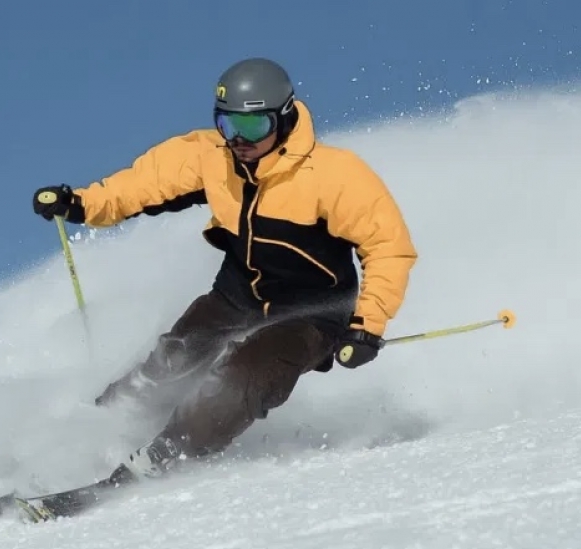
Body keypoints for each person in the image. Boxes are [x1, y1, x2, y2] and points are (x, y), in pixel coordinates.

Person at [32, 57, 417, 484]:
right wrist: (82, 203)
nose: (238, 139)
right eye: (227, 124)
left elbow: (389, 247)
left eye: (252, 127)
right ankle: (87, 437)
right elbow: (142, 185)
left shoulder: (334, 175)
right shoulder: (213, 157)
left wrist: (367, 326)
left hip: (314, 314)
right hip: (237, 297)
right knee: (171, 360)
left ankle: (166, 455)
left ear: (284, 118)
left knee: (242, 376)